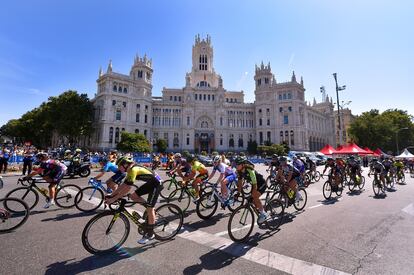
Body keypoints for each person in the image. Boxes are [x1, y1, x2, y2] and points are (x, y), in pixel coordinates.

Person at [105, 156, 162, 244]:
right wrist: (112, 195)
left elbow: (127, 188)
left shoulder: (133, 170)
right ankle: (151, 209)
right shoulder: (130, 170)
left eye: (119, 166)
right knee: (133, 196)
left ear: (125, 165)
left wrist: (113, 199)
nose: (118, 168)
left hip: (157, 184)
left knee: (150, 209)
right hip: (151, 183)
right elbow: (124, 185)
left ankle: (150, 234)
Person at [234, 156, 268, 223]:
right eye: (236, 164)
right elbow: (240, 183)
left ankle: (264, 214)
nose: (236, 166)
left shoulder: (250, 170)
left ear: (243, 164)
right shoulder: (239, 171)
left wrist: (252, 195)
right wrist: (238, 193)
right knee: (252, 201)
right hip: (254, 184)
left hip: (261, 184)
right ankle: (261, 208)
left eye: (238, 164)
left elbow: (255, 184)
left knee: (254, 197)